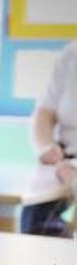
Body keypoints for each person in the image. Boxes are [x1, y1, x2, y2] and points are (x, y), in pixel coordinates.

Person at [28, 40, 77, 236]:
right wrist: (46, 147)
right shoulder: (71, 53)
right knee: (34, 219)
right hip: (63, 156)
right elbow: (44, 113)